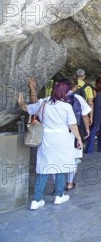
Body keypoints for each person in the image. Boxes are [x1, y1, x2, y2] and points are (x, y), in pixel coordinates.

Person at [17, 78, 83, 210]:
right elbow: (73, 126)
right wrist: (79, 139)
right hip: (62, 140)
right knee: (60, 167)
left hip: (46, 139)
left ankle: (36, 200)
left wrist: (20, 101)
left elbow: (26, 108)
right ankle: (59, 196)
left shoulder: (43, 103)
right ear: (64, 92)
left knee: (43, 168)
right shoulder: (66, 107)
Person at [65, 79, 92, 190]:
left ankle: (58, 185)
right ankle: (69, 183)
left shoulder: (52, 99)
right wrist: (87, 130)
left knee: (56, 160)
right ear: (75, 87)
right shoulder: (78, 98)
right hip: (74, 131)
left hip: (57, 133)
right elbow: (84, 115)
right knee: (74, 157)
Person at [85, 77, 101, 154]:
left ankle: (89, 149)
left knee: (92, 130)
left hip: (96, 112)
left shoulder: (94, 92)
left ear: (97, 83)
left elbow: (91, 102)